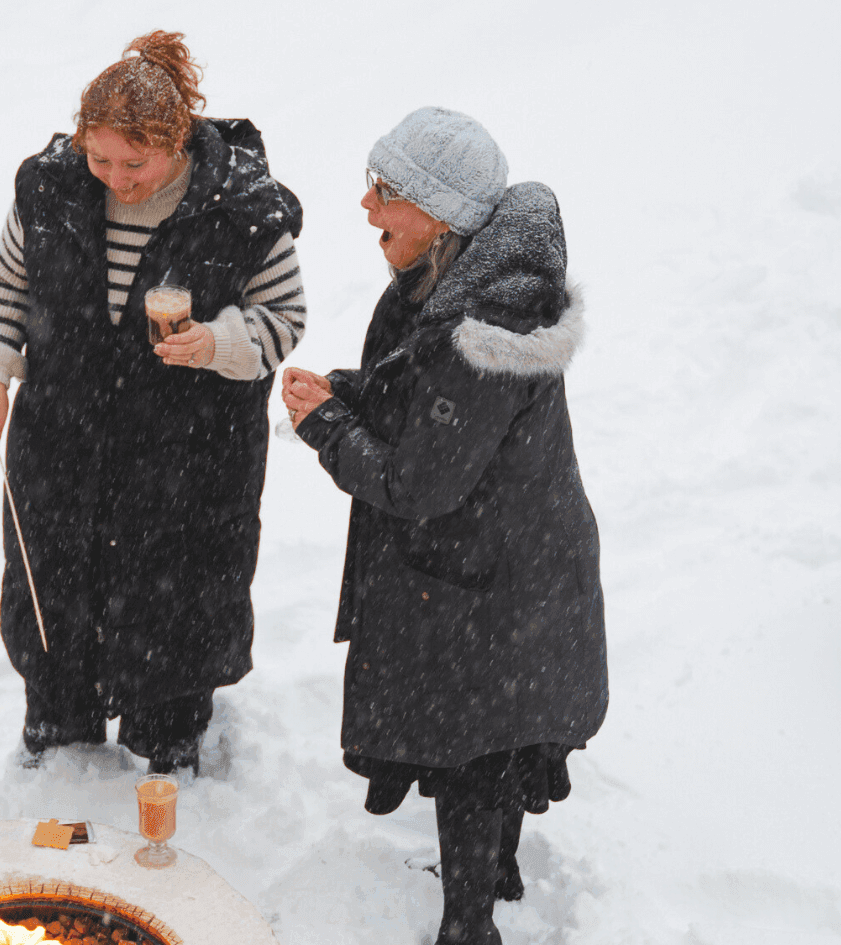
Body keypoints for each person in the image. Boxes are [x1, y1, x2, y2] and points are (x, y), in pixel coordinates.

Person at [281, 107, 608, 945]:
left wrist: (325, 425)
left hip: (485, 578)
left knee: (471, 749)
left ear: (444, 213)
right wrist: (351, 394)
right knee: (499, 733)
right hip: (512, 564)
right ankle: (496, 869)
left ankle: (469, 925)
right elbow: (423, 398)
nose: (364, 205)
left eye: (386, 192)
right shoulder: (469, 288)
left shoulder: (484, 332)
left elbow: (416, 479)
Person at [0, 31, 307, 777]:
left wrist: (217, 342)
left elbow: (284, 318)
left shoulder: (243, 210)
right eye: (100, 158)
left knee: (175, 593)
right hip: (63, 438)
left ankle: (169, 729)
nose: (115, 178)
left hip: (190, 455)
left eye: (135, 163)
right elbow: (4, 286)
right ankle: (60, 719)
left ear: (177, 140)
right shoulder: (51, 190)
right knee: (53, 581)